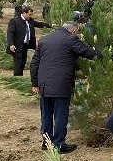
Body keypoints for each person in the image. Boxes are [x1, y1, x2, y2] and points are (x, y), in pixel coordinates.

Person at [31, 21, 100, 153]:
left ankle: (46, 142)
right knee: (60, 115)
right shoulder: (71, 39)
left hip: (44, 85)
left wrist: (35, 83)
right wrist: (107, 56)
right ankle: (59, 145)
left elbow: (34, 63)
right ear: (73, 31)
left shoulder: (45, 39)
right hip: (61, 84)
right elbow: (89, 53)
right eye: (77, 32)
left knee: (46, 115)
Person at [6, 4, 51, 76]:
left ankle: (20, 76)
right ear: (24, 13)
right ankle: (17, 78)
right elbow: (10, 33)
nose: (30, 16)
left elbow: (39, 24)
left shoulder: (30, 20)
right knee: (18, 62)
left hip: (25, 45)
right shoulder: (14, 21)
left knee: (23, 61)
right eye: (29, 15)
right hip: (16, 46)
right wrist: (11, 44)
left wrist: (50, 25)